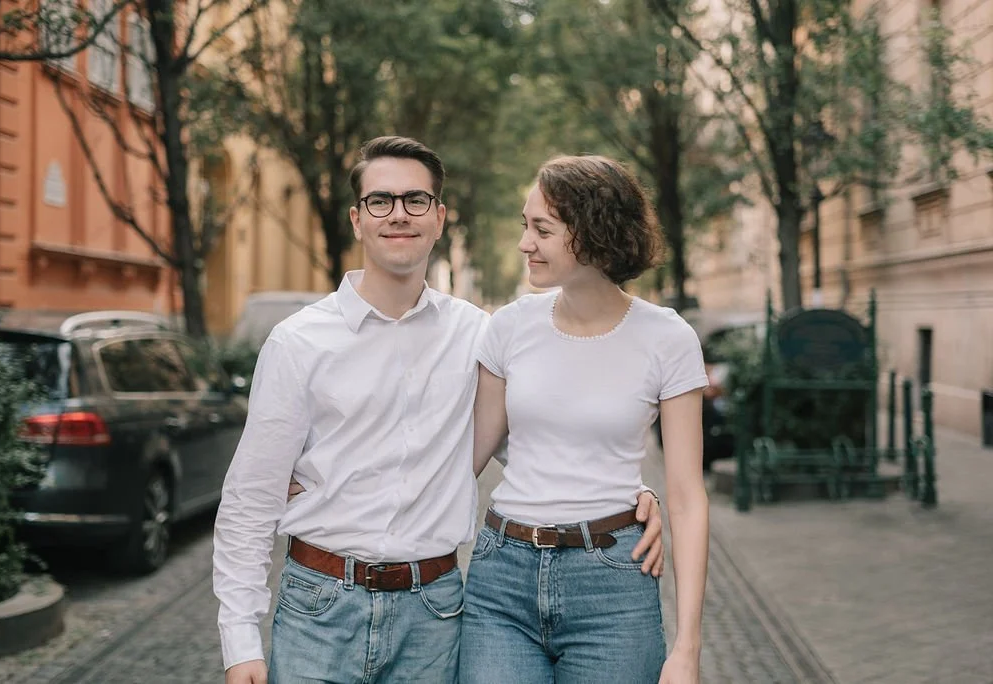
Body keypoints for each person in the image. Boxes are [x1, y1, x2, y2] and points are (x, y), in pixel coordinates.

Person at [212, 136, 665, 684]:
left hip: (435, 613)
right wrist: (240, 643)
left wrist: (628, 495)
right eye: (380, 201)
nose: (398, 214)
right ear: (357, 220)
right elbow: (250, 500)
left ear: (439, 217)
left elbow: (539, 439)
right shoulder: (298, 342)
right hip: (319, 610)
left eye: (416, 200)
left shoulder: (479, 334)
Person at [461, 154, 710, 684]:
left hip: (614, 586)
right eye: (525, 226)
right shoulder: (508, 327)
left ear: (594, 234)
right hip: (501, 580)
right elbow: (465, 457)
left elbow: (688, 498)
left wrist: (686, 649)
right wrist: (330, 474)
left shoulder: (667, 339)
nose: (525, 243)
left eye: (542, 230)